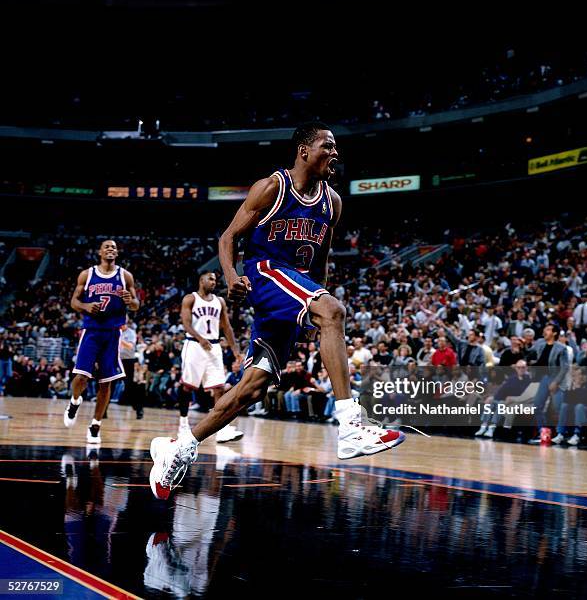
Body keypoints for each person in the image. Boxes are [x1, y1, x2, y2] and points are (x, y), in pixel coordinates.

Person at [149, 122, 405, 499]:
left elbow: (321, 261)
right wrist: (232, 274)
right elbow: (228, 237)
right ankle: (351, 424)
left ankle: (179, 448)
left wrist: (313, 307)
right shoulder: (272, 187)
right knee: (335, 312)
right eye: (327, 146)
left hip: (295, 290)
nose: (335, 153)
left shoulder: (331, 201)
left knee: (252, 388)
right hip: (265, 273)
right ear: (303, 150)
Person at [64, 240, 139, 443]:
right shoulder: (87, 274)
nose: (111, 249)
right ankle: (75, 400)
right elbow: (73, 302)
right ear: (99, 252)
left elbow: (136, 305)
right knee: (80, 377)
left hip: (113, 333)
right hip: (91, 331)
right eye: (107, 246)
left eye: (114, 247)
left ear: (117, 252)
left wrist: (129, 301)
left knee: (106, 383)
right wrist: (86, 307)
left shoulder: (125, 276)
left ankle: (95, 425)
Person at [177, 272, 242, 442]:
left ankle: (221, 429)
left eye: (215, 279)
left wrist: (235, 349)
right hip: (194, 345)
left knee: (219, 388)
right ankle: (183, 424)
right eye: (210, 279)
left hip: (214, 346)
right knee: (187, 386)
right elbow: (186, 323)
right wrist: (200, 338)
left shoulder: (219, 301)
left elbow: (226, 326)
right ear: (201, 280)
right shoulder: (190, 299)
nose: (214, 282)